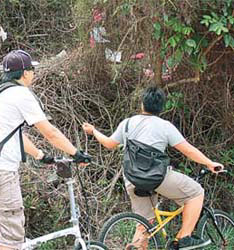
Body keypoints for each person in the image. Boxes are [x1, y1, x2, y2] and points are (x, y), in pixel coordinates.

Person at [82, 86, 224, 250]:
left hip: (132, 178)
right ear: (162, 107)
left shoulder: (127, 123)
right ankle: (183, 239)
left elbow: (109, 144)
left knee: (144, 224)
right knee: (196, 193)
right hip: (156, 177)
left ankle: (136, 246)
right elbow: (188, 150)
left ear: (142, 104)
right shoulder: (165, 126)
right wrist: (209, 163)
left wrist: (93, 131)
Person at [0, 50, 89, 250]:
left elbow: (14, 135)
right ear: (25, 73)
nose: (33, 74)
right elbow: (51, 132)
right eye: (32, 69)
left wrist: (41, 155)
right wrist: (76, 153)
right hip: (2, 173)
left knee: (0, 237)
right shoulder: (20, 94)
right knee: (13, 242)